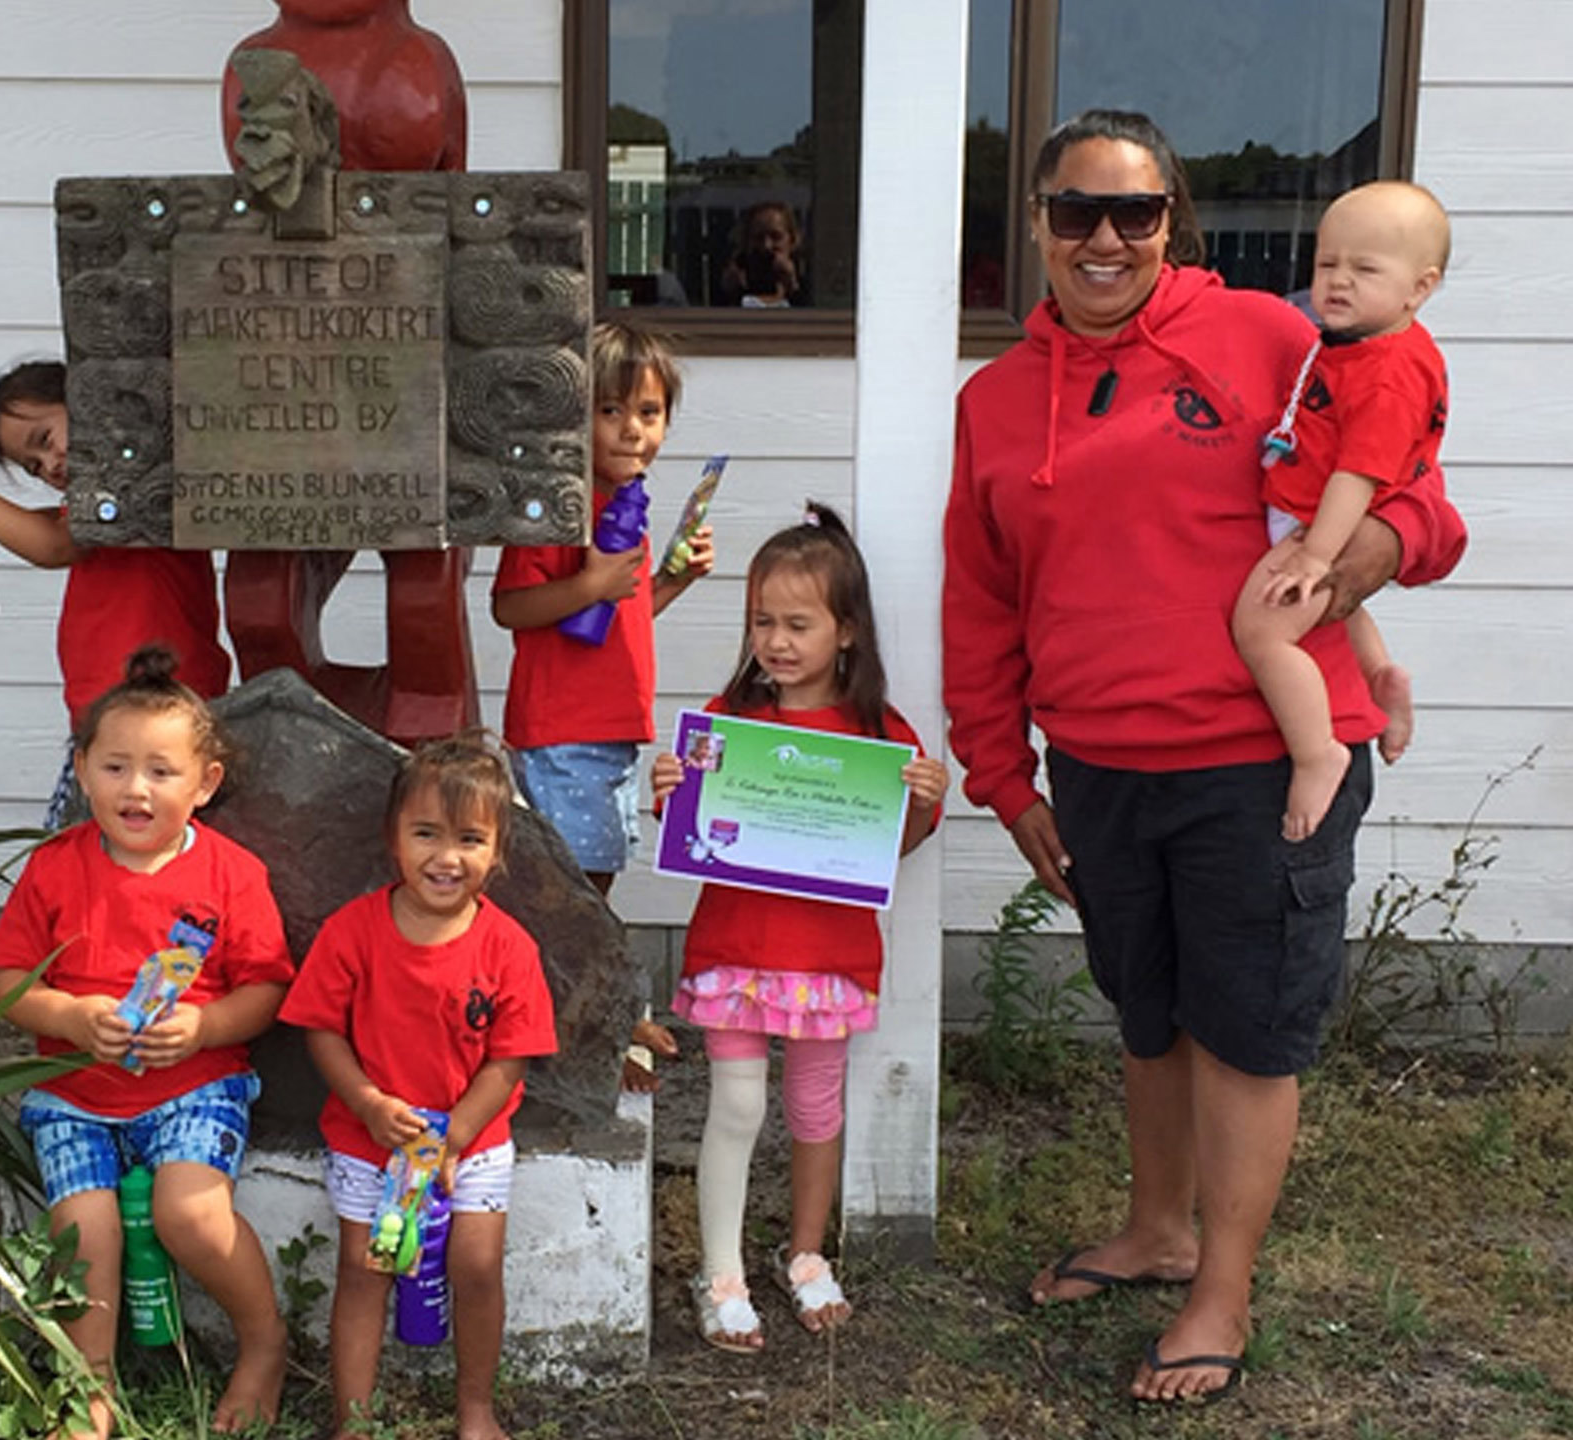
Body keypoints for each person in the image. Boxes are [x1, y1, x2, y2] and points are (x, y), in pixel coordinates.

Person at [942, 110, 1466, 1405]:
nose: (1105, 238)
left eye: (1134, 212)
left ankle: (1218, 1291)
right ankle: (1157, 1227)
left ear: (1171, 217)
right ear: (1040, 224)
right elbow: (981, 604)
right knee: (1150, 1013)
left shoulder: (1275, 339)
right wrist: (1004, 778)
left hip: (1263, 758)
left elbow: (1422, 504)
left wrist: (1366, 567)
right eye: (1077, 212)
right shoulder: (996, 404)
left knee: (1244, 1033)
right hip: (1102, 769)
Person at [652, 504, 948, 1353]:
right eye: (762, 622)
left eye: (797, 623)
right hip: (737, 951)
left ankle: (806, 1253)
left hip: (829, 957)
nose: (776, 641)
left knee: (816, 1109)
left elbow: (893, 848)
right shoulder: (726, 720)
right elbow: (689, 824)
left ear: (845, 632)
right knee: (738, 1106)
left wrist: (924, 803)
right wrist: (673, 784)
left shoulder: (881, 737)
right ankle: (721, 1274)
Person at [0, 647, 293, 1439]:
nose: (137, 789)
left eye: (161, 771)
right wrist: (72, 1017)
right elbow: (4, 983)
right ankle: (90, 1382)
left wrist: (205, 1026)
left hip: (196, 1084)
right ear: (82, 772)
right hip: (76, 1096)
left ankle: (263, 1345)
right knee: (84, 1227)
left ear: (205, 784)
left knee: (190, 1212)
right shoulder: (54, 869)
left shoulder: (232, 875)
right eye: (115, 767)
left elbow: (267, 987)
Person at [280, 732, 557, 1440]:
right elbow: (321, 1030)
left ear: (497, 852)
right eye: (426, 833)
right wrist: (369, 1103)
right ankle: (354, 1418)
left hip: (474, 1140)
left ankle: (475, 1408)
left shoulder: (508, 946)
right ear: (393, 837)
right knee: (365, 1268)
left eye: (469, 838)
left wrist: (457, 1132)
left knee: (477, 1265)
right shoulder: (354, 932)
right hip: (372, 1141)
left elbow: (511, 1058)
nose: (446, 857)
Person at [491, 321, 714, 1090]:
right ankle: (590, 1034)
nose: (632, 430)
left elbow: (618, 618)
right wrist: (589, 583)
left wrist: (673, 579)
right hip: (563, 734)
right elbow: (512, 608)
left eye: (648, 414)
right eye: (611, 411)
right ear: (572, 417)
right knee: (571, 896)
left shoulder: (626, 503)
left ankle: (603, 1014)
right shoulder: (557, 506)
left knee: (594, 887)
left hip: (613, 735)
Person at [0, 360, 230, 827]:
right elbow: (51, 527)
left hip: (164, 709)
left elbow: (55, 544)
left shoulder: (137, 480)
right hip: (104, 714)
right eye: (33, 465)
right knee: (90, 858)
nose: (50, 464)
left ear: (88, 405)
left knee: (137, 851)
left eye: (46, 439)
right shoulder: (92, 509)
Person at [1233, 181, 1448, 841]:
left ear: (1419, 287)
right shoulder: (1356, 344)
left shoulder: (1389, 372)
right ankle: (1379, 675)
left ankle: (1316, 750)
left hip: (1319, 524)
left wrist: (1315, 554)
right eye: (1328, 264)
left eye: (1365, 269)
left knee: (1263, 630)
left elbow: (1360, 473)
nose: (1339, 282)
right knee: (1340, 617)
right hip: (1310, 514)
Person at [718, 201, 809, 308]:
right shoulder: (736, 291)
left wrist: (792, 287)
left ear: (792, 240)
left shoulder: (809, 290)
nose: (766, 246)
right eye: (758, 238)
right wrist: (730, 293)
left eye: (776, 237)